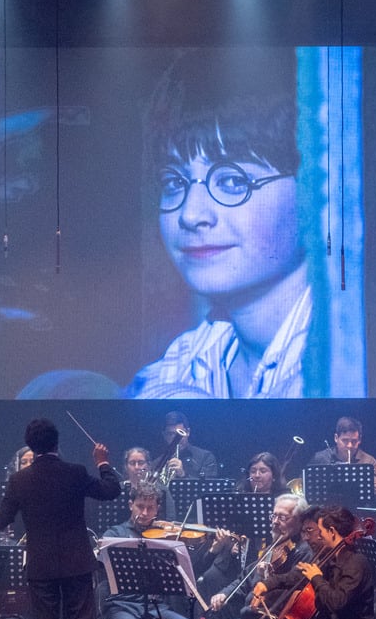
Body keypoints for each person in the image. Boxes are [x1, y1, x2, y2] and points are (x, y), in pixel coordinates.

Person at [126, 49, 314, 399]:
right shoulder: (190, 358)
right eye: (174, 183)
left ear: (313, 189)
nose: (190, 214)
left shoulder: (337, 364)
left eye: (233, 181)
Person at [0, 419, 120, 619]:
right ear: (56, 443)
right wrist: (102, 462)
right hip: (77, 562)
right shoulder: (75, 472)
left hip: (42, 566)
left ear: (31, 446)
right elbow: (112, 490)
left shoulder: (19, 480)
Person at [99, 482, 195, 619]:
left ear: (157, 508)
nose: (144, 513)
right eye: (140, 506)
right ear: (130, 505)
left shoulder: (164, 536)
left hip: (154, 607)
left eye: (150, 508)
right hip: (120, 605)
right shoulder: (115, 533)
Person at [307, 417, 376, 495]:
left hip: (355, 506)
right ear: (336, 438)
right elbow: (306, 484)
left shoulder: (369, 461)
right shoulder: (320, 458)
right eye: (345, 440)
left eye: (354, 441)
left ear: (359, 440)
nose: (349, 445)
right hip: (325, 507)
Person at [150, 412, 219, 482]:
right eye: (170, 434)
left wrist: (183, 475)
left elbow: (208, 488)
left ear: (188, 432)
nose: (176, 439)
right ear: (164, 435)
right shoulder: (156, 463)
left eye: (180, 433)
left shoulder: (205, 457)